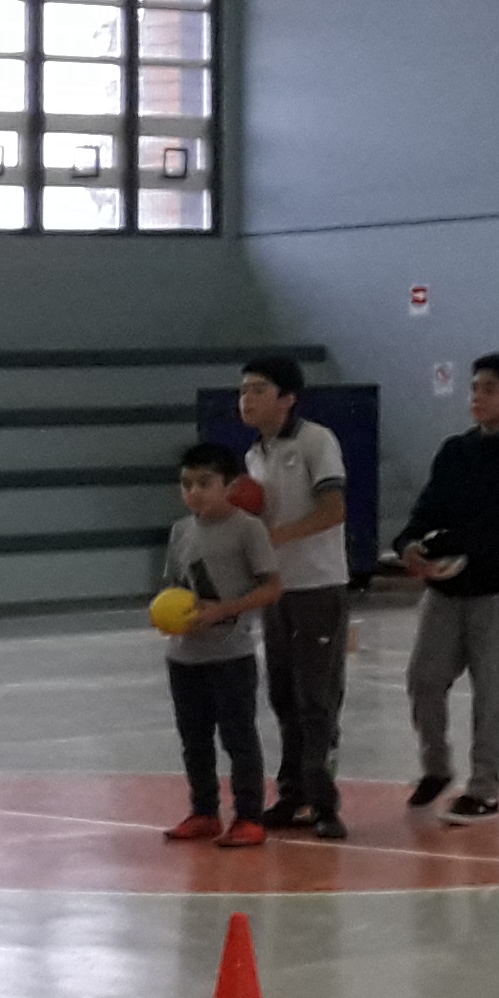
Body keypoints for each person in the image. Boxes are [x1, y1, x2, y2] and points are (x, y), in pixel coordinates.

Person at [394, 352, 499, 825]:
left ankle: (485, 789)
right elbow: (428, 508)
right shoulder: (454, 451)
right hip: (445, 592)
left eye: (490, 389)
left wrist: (455, 549)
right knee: (424, 679)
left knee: (491, 690)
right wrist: (409, 544)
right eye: (475, 387)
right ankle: (436, 767)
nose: (477, 397)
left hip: (498, 592)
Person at [236, 355, 355, 840]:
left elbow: (334, 508)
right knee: (283, 696)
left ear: (287, 398)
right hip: (277, 590)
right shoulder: (253, 456)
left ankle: (324, 802)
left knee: (316, 699)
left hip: (318, 586)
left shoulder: (316, 441)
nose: (246, 399)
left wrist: (278, 536)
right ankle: (292, 794)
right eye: (243, 390)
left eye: (258, 389)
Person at [157, 443, 286, 847]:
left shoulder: (248, 529)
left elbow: (271, 588)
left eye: (204, 483)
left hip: (231, 655)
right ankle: (204, 811)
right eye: (186, 484)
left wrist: (224, 610)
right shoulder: (180, 531)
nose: (194, 492)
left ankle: (248, 816)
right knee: (193, 739)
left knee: (238, 737)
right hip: (184, 655)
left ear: (230, 486)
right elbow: (174, 587)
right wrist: (167, 614)